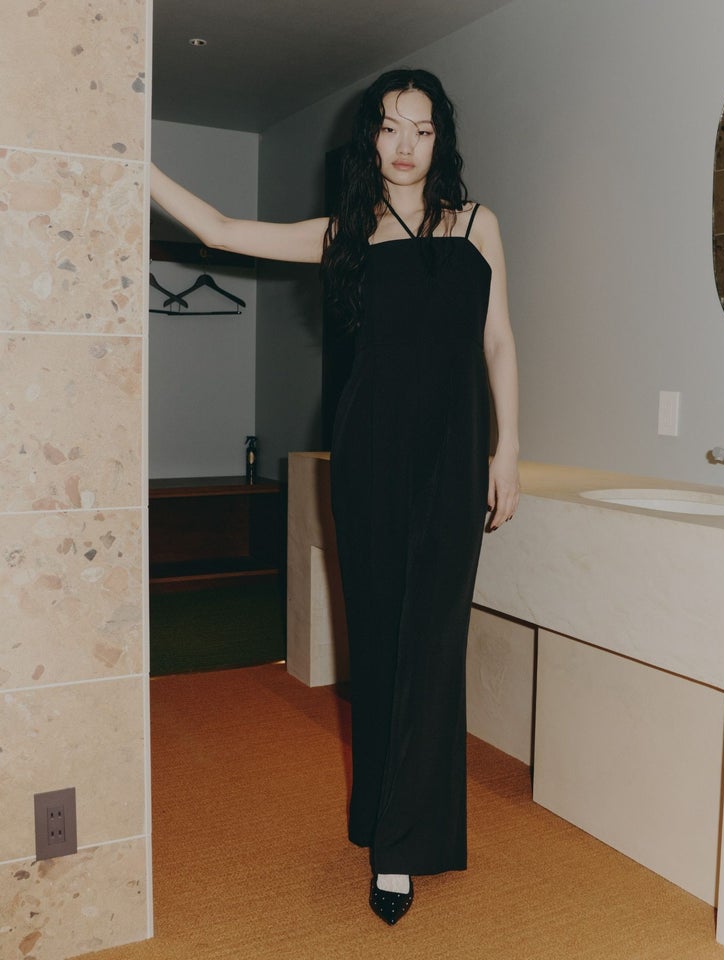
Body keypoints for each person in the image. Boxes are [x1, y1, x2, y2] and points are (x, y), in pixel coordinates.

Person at [150, 67, 519, 926]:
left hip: (455, 456)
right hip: (370, 455)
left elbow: (499, 340)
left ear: (441, 138)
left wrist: (509, 448)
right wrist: (137, 163)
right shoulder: (347, 232)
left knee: (434, 641)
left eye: (421, 129)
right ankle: (385, 820)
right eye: (390, 127)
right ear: (371, 139)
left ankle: (402, 846)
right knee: (381, 638)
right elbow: (220, 227)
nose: (405, 145)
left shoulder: (478, 224)